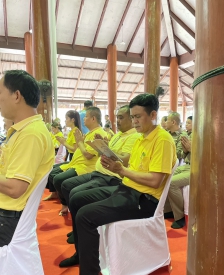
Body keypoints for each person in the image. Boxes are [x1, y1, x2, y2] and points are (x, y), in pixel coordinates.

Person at [59, 93, 176, 275]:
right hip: (127, 189)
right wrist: (110, 157)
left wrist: (121, 171)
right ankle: (81, 253)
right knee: (76, 200)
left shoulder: (163, 140)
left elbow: (155, 181)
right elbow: (129, 162)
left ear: (153, 115)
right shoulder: (142, 138)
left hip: (144, 200)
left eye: (138, 117)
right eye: (133, 117)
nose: (135, 121)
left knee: (85, 215)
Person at [60, 105, 140, 243]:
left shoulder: (134, 136)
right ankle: (77, 231)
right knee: (68, 188)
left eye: (121, 118)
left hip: (110, 177)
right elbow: (110, 150)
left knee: (74, 194)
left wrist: (81, 142)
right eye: (117, 118)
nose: (117, 121)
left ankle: (80, 232)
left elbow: (123, 160)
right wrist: (102, 144)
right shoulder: (117, 135)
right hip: (98, 172)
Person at [0, 70, 54, 247]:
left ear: (16, 95)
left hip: (7, 215)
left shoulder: (30, 134)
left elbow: (15, 189)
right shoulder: (22, 131)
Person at [45, 107, 107, 215]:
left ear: (93, 119)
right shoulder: (90, 133)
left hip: (85, 167)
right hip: (76, 162)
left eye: (86, 116)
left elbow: (87, 155)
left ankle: (67, 204)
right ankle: (64, 201)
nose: (84, 119)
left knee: (59, 179)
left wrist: (79, 142)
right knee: (52, 172)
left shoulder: (99, 134)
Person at [165, 115, 193, 229]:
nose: (186, 125)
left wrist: (191, 149)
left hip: (198, 168)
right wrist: (186, 150)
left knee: (172, 183)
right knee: (165, 176)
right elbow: (184, 154)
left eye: (189, 123)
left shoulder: (188, 134)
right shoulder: (190, 135)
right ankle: (169, 210)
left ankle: (180, 217)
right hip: (187, 165)